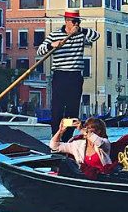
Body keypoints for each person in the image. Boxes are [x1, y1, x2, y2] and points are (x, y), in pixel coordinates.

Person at [37, 10, 100, 141]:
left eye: (78, 21)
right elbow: (40, 50)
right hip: (60, 75)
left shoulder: (81, 35)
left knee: (72, 109)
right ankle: (56, 137)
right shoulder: (55, 35)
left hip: (75, 76)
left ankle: (67, 139)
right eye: (74, 22)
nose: (76, 24)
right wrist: (52, 45)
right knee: (57, 109)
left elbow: (96, 36)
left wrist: (80, 30)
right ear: (66, 21)